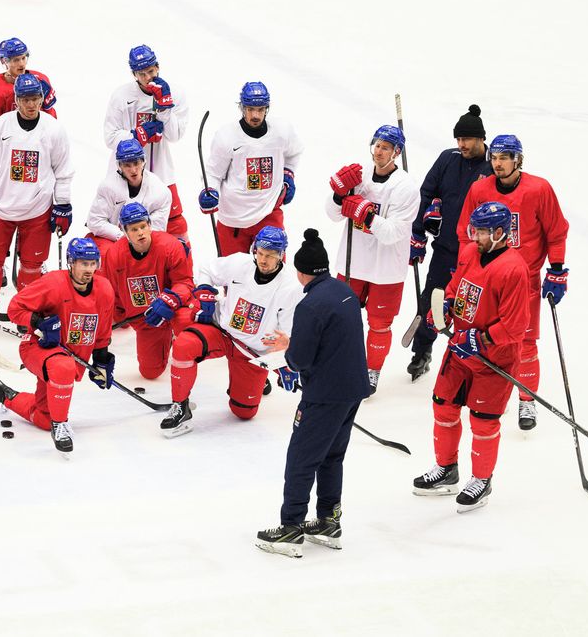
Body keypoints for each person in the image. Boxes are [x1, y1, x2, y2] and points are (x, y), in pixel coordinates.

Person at [255, 229, 371, 558]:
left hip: (324, 395)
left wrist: (288, 355)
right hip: (352, 390)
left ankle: (290, 527)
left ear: (299, 270)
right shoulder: (343, 292)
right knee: (332, 456)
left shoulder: (309, 305)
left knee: (301, 459)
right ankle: (327, 520)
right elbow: (328, 340)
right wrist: (292, 344)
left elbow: (301, 359)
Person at [413, 202, 530, 513]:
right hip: (459, 352)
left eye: (480, 231)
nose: (474, 235)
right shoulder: (469, 253)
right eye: (474, 229)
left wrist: (481, 339)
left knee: (483, 421)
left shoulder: (514, 269)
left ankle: (482, 479)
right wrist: (446, 308)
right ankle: (447, 469)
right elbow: (455, 287)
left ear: (500, 233)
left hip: (495, 360)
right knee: (443, 406)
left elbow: (516, 326)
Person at [456, 135, 569, 430]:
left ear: (518, 160)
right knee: (480, 337)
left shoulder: (538, 189)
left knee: (524, 343)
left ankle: (526, 400)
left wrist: (556, 268)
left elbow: (556, 231)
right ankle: (489, 393)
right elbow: (464, 232)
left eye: (505, 157)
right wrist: (464, 269)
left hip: (523, 281)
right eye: (494, 157)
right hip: (484, 278)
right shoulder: (480, 189)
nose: (497, 163)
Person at [159, 226, 302, 437]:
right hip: (222, 332)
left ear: (281, 256)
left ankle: (256, 380)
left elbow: (286, 335)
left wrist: (284, 363)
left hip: (251, 352)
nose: (263, 260)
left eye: (270, 256)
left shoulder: (291, 286)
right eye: (260, 253)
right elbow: (207, 269)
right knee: (183, 344)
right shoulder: (240, 263)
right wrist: (206, 290)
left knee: (243, 411)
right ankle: (181, 405)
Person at [0, 238, 115, 458]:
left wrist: (101, 357)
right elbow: (15, 308)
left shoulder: (104, 289)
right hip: (37, 347)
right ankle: (61, 426)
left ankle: (1, 392)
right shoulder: (52, 283)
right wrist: (37, 321)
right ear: (71, 263)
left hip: (69, 356)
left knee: (44, 417)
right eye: (83, 263)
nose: (89, 269)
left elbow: (102, 328)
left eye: (93, 263)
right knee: (62, 367)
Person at [0, 73, 75, 333]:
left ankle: (25, 309)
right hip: (1, 207)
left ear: (42, 99)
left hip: (38, 209)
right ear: (16, 100)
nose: (31, 104)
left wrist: (62, 205)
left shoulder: (53, 129)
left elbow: (63, 171)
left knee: (32, 265)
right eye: (26, 99)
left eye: (36, 99)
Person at [325, 125, 420, 394]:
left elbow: (392, 233)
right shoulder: (359, 176)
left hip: (387, 270)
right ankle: (342, 364)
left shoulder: (407, 188)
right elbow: (333, 215)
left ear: (396, 152)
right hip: (352, 263)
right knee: (342, 318)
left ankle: (371, 370)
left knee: (379, 325)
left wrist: (366, 215)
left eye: (386, 147)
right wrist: (339, 195)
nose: (379, 151)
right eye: (377, 145)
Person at [407, 105, 494, 380]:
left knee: (473, 310)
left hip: (478, 256)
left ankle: (477, 362)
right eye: (458, 139)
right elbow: (426, 193)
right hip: (445, 249)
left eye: (466, 139)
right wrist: (419, 232)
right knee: (431, 303)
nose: (461, 144)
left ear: (481, 138)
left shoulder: (494, 166)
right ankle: (422, 352)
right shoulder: (448, 158)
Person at [201, 81, 304, 256]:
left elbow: (294, 153)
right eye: (250, 109)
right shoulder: (227, 136)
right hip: (233, 220)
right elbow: (213, 172)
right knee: (232, 277)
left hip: (269, 212)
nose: (255, 115)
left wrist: (288, 175)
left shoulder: (281, 131)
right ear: (242, 108)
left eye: (260, 109)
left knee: (273, 275)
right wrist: (209, 191)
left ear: (267, 109)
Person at [98, 203, 193, 380]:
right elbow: (113, 290)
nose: (140, 232)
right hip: (145, 320)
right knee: (150, 372)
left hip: (172, 309)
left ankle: (176, 336)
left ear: (149, 225)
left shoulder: (170, 246)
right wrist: (118, 315)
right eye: (134, 229)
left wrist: (169, 300)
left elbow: (185, 282)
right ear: (125, 231)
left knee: (188, 321)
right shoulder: (115, 254)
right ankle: (164, 341)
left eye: (143, 226)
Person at [103, 44, 190, 239]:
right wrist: (137, 136)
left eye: (150, 71)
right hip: (126, 173)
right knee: (122, 226)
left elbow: (174, 136)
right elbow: (109, 137)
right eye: (141, 74)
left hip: (161, 172)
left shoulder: (176, 93)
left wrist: (165, 109)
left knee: (175, 225)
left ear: (157, 67)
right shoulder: (121, 96)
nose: (147, 78)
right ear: (134, 74)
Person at [85, 139, 172, 256]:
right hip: (112, 239)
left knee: (167, 248)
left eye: (136, 163)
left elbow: (157, 228)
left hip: (144, 240)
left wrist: (136, 240)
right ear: (119, 166)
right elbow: (95, 221)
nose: (133, 170)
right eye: (127, 165)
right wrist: (123, 237)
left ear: (143, 162)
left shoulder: (160, 192)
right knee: (107, 253)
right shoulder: (108, 186)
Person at [0, 37, 57, 136]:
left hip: (39, 141)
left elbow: (51, 118)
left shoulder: (40, 80)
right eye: (16, 60)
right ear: (4, 61)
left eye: (23, 58)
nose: (22, 64)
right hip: (9, 145)